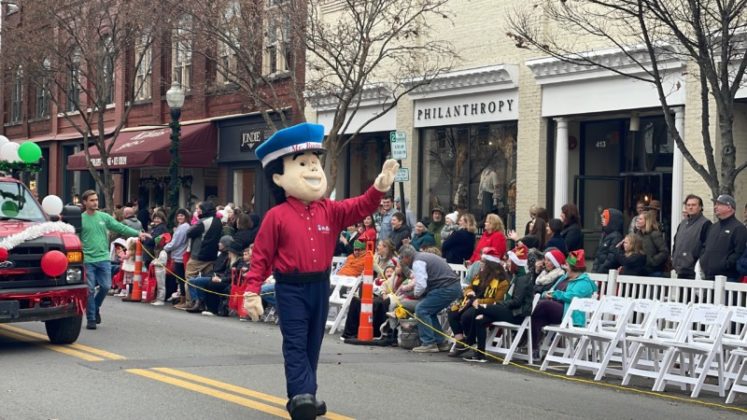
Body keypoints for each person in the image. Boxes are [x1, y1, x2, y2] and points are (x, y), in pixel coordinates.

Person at [241, 122, 399, 419]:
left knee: (313, 342)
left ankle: (306, 394)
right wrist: (252, 291)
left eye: (315, 163)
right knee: (296, 341)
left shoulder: (330, 209)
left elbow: (360, 206)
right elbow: (261, 257)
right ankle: (300, 394)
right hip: (290, 287)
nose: (313, 169)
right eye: (303, 163)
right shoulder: (277, 216)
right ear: (278, 176)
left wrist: (379, 187)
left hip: (319, 285)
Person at [80, 190, 149, 330]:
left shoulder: (104, 217)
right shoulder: (80, 218)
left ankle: (96, 307)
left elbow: (120, 227)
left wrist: (138, 233)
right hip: (87, 259)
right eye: (92, 200)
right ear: (85, 202)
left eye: (96, 200)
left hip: (103, 258)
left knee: (105, 286)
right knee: (90, 290)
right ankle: (91, 318)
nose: (95, 202)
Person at [462, 249, 534, 363]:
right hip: (507, 310)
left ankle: (469, 341)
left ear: (516, 264)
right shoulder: (515, 276)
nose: (508, 263)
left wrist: (496, 304)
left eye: (510, 261)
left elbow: (517, 302)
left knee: (480, 308)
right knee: (479, 319)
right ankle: (480, 354)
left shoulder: (523, 279)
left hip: (517, 314)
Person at [530, 250, 597, 358]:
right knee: (536, 317)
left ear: (574, 268)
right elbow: (551, 290)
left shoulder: (584, 282)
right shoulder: (564, 277)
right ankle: (534, 349)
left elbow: (572, 296)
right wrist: (545, 294)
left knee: (542, 305)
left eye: (567, 266)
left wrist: (556, 294)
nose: (565, 267)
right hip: (555, 310)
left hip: (569, 314)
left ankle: (524, 324)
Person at [396, 244, 462, 353]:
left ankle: (429, 343)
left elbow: (421, 284)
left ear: (406, 257)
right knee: (429, 312)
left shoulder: (417, 262)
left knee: (421, 309)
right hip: (451, 286)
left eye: (401, 258)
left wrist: (416, 294)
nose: (401, 261)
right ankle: (440, 342)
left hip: (446, 288)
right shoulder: (421, 257)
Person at [447, 247, 509, 358]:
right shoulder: (480, 275)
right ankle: (461, 342)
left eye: (483, 262)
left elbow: (496, 300)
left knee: (467, 316)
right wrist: (469, 292)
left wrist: (478, 301)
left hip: (488, 307)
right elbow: (469, 287)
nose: (480, 263)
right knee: (452, 312)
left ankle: (470, 341)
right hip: (472, 302)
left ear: (490, 264)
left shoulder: (501, 281)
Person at [181, 201, 223, 309]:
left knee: (190, 278)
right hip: (212, 256)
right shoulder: (218, 221)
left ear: (204, 210)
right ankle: (204, 303)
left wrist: (196, 219)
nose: (197, 211)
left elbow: (189, 232)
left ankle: (191, 301)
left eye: (198, 209)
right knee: (205, 281)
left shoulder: (203, 222)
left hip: (198, 255)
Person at [700, 194, 747, 282]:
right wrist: (703, 261)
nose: (715, 207)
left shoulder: (739, 228)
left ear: (729, 207)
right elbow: (704, 247)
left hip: (728, 278)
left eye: (719, 204)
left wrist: (725, 265)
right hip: (709, 277)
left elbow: (739, 252)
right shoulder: (713, 227)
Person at [672, 194, 711, 279]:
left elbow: (706, 248)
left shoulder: (705, 224)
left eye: (694, 205)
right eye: (688, 205)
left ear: (700, 207)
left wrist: (696, 262)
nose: (690, 207)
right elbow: (676, 243)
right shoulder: (682, 224)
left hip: (694, 272)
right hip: (680, 270)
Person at [634, 211, 669, 277]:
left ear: (647, 221)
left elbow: (664, 252)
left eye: (640, 219)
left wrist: (652, 261)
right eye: (637, 219)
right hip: (641, 270)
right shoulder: (637, 235)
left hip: (654, 271)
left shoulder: (655, 234)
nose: (637, 221)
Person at [592, 208, 624, 274]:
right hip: (599, 274)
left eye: (605, 217)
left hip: (607, 275)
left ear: (612, 220)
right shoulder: (604, 234)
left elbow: (611, 258)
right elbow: (598, 256)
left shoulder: (617, 236)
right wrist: (594, 271)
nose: (602, 219)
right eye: (602, 217)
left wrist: (600, 272)